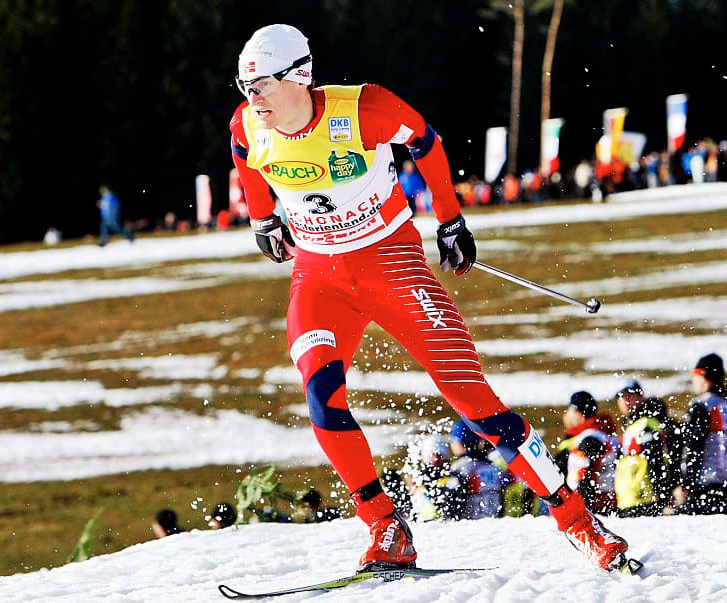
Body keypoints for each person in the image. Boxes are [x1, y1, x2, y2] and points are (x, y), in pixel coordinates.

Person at [228, 24, 630, 572]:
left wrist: (450, 220)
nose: (253, 99)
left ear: (300, 76)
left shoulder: (364, 110)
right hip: (319, 277)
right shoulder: (248, 124)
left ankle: (577, 520)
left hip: (392, 265)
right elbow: (245, 158)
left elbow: (426, 142)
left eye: (262, 86)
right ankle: (385, 527)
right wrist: (263, 218)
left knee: (475, 405)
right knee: (322, 397)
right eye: (244, 87)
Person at [677, 353, 727, 514]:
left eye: (695, 374)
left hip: (706, 483)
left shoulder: (702, 406)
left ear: (704, 376)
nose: (693, 380)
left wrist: (686, 483)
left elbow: (692, 448)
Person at [613, 381, 672, 518]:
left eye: (629, 397)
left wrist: (662, 494)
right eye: (621, 398)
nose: (625, 401)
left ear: (641, 397)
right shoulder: (633, 425)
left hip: (645, 501)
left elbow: (655, 460)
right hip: (630, 501)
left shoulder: (646, 424)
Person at [555, 391, 619, 515]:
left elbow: (585, 478)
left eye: (568, 411)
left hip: (596, 508)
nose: (565, 415)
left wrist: (582, 512)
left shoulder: (590, 439)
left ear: (578, 414)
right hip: (603, 504)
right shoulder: (599, 434)